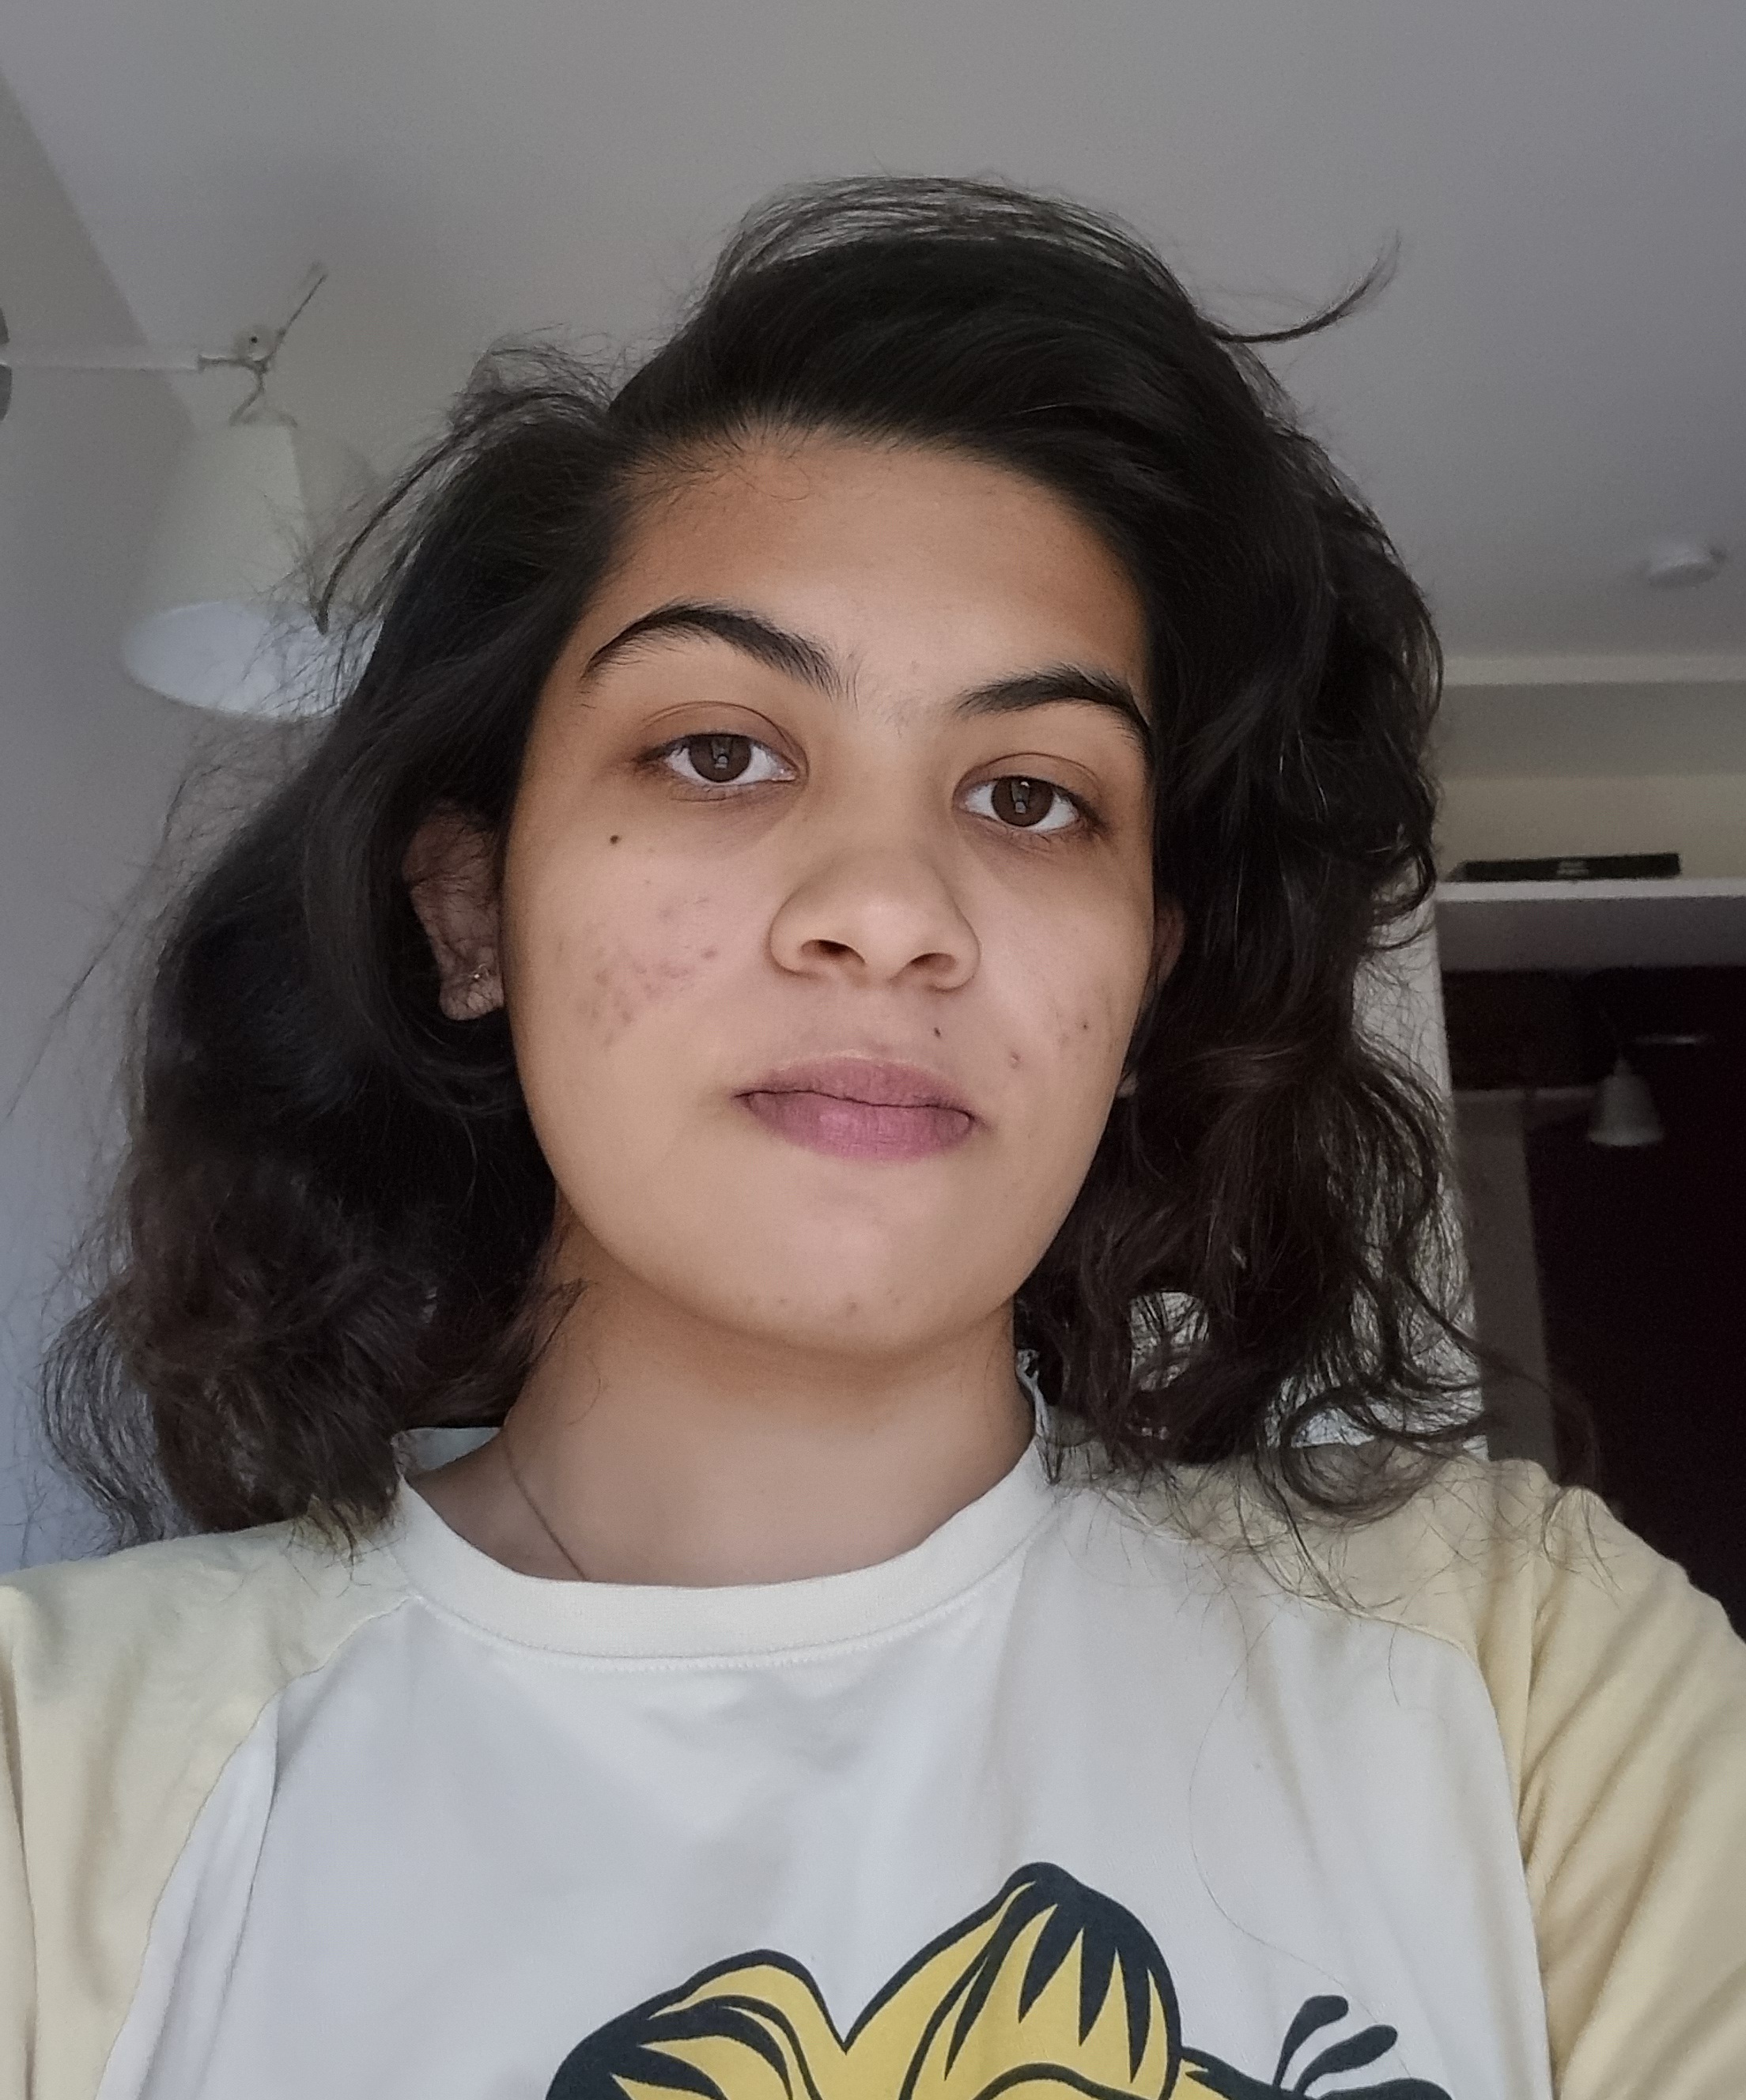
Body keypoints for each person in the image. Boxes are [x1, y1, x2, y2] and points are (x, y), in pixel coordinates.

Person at [6, 179, 1741, 2100]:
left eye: (1031, 794)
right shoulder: (55, 1769)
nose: (893, 909)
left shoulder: (1517, 1667)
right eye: (722, 751)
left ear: (1143, 978)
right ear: (473, 907)